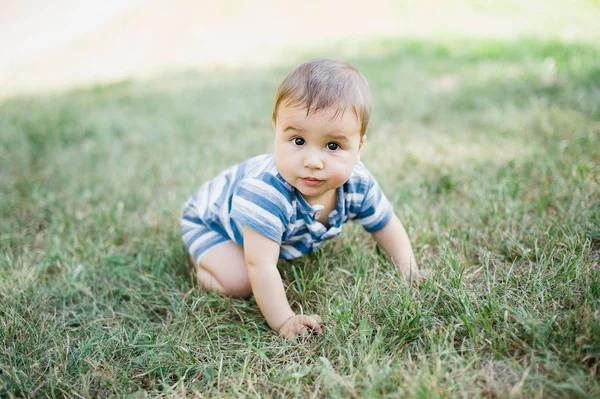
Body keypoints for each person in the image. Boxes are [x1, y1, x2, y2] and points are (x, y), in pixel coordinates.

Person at [181, 58, 423, 341]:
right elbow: (261, 265)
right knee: (240, 282)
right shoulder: (267, 193)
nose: (312, 161)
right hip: (210, 222)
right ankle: (204, 264)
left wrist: (409, 270)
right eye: (298, 141)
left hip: (246, 222)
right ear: (276, 130)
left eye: (333, 146)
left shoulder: (358, 182)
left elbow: (385, 223)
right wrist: (285, 320)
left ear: (358, 147)